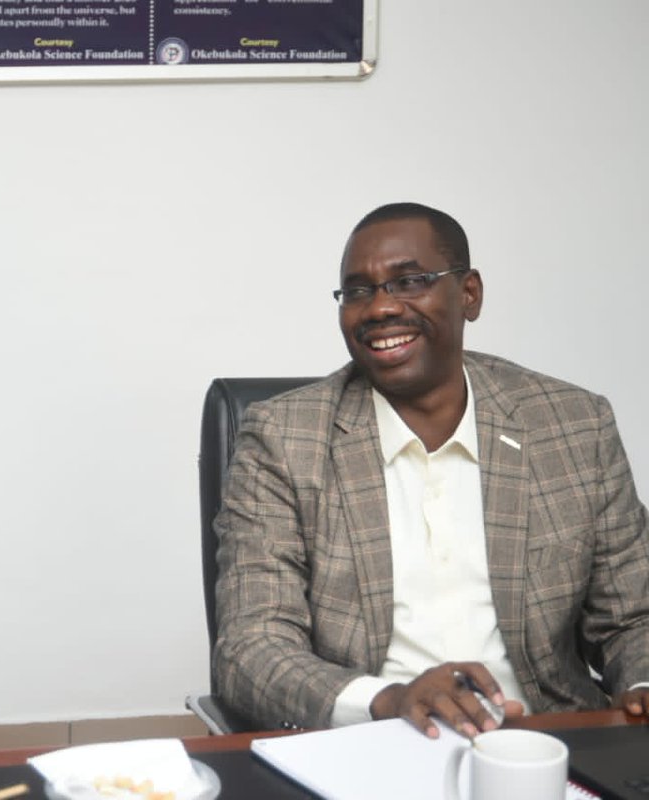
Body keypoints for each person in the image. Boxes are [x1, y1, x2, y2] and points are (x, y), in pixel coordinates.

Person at [213, 202, 649, 739]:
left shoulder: (574, 425)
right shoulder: (283, 439)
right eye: (357, 291)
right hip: (371, 745)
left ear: (469, 294)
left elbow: (634, 616)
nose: (379, 308)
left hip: (546, 742)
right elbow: (251, 648)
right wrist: (388, 700)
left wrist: (641, 685)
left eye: (409, 281)